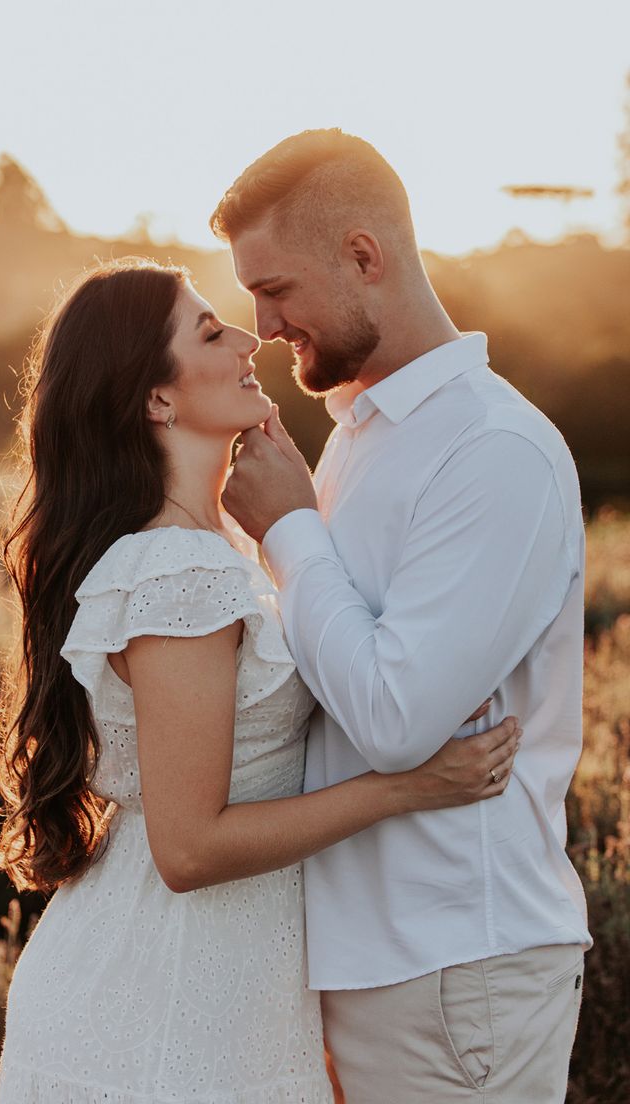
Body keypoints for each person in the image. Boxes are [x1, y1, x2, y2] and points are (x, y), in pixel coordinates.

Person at [0, 257, 519, 1103]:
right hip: (160, 1010)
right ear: (157, 400)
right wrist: (407, 787)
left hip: (214, 989)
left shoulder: (215, 554)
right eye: (209, 332)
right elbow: (190, 849)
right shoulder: (175, 570)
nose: (249, 340)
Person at [214, 128, 592, 1104]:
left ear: (362, 255)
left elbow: (392, 717)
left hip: (457, 967)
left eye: (275, 287)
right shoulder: (361, 437)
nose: (258, 324)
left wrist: (291, 530)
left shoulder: (492, 450)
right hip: (374, 962)